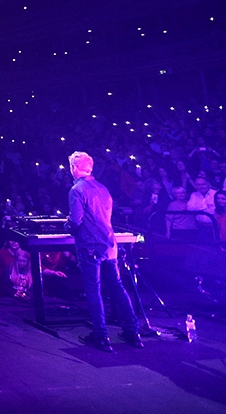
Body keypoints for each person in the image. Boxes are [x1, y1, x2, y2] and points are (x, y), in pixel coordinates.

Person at [65, 151, 141, 352]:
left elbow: (75, 221)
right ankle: (133, 332)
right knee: (117, 287)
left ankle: (101, 336)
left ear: (74, 168)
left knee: (93, 290)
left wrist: (66, 226)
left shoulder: (77, 189)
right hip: (109, 244)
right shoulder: (102, 188)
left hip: (90, 246)